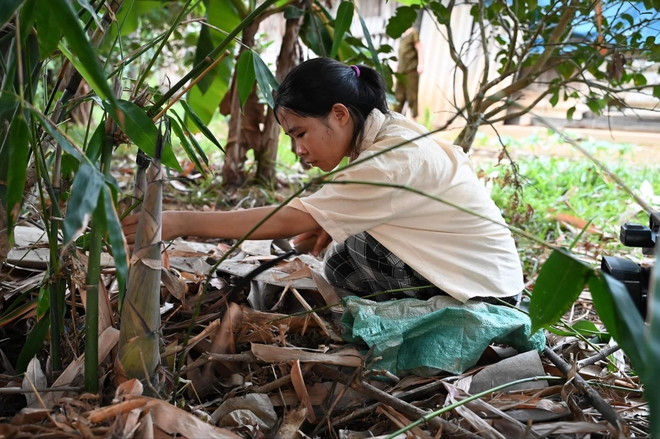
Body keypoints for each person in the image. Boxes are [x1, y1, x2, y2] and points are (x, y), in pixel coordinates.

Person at [122, 58, 523, 304]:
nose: (298, 149)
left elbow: (286, 220)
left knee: (341, 260)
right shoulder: (393, 131)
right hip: (491, 276)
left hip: (483, 293)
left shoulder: (385, 162)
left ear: (339, 115)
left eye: (300, 133)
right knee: (331, 237)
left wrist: (180, 221)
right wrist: (322, 223)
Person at [394, 25, 423, 120]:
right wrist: (398, 66)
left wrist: (421, 64)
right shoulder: (402, 35)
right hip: (401, 71)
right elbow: (401, 53)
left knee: (412, 96)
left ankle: (414, 121)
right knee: (398, 96)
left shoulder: (413, 33)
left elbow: (420, 48)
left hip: (411, 70)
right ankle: (395, 121)